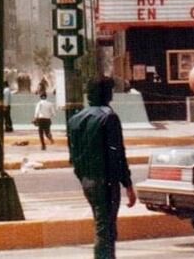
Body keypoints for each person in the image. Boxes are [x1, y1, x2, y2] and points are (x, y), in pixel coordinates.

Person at [67, 76, 136, 259]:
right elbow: (118, 155)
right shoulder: (109, 117)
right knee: (105, 229)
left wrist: (83, 177)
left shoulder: (75, 119)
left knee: (102, 225)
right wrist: (128, 184)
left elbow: (73, 157)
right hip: (106, 182)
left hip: (88, 181)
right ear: (107, 93)